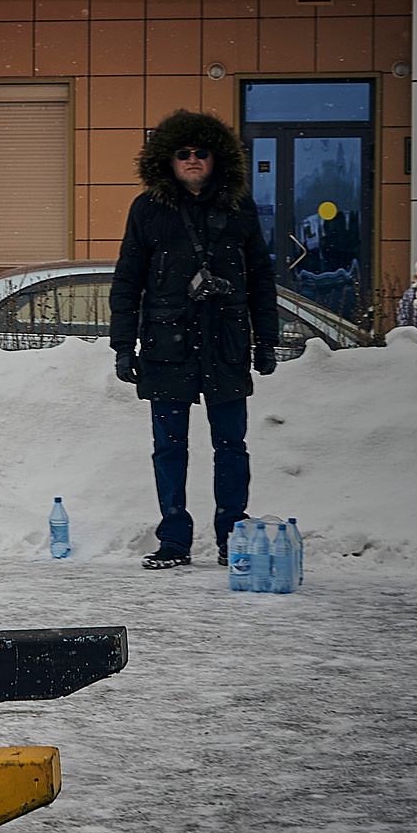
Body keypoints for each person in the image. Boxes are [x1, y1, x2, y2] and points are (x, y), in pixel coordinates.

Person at [109, 110, 279, 569]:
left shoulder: (238, 209)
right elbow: (128, 280)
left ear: (215, 157)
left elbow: (261, 276)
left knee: (232, 447)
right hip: (167, 346)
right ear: (168, 160)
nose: (191, 161)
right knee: (169, 448)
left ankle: (232, 536)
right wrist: (123, 346)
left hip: (225, 344)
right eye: (182, 153)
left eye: (200, 153)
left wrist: (266, 340)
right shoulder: (148, 210)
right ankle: (174, 539)